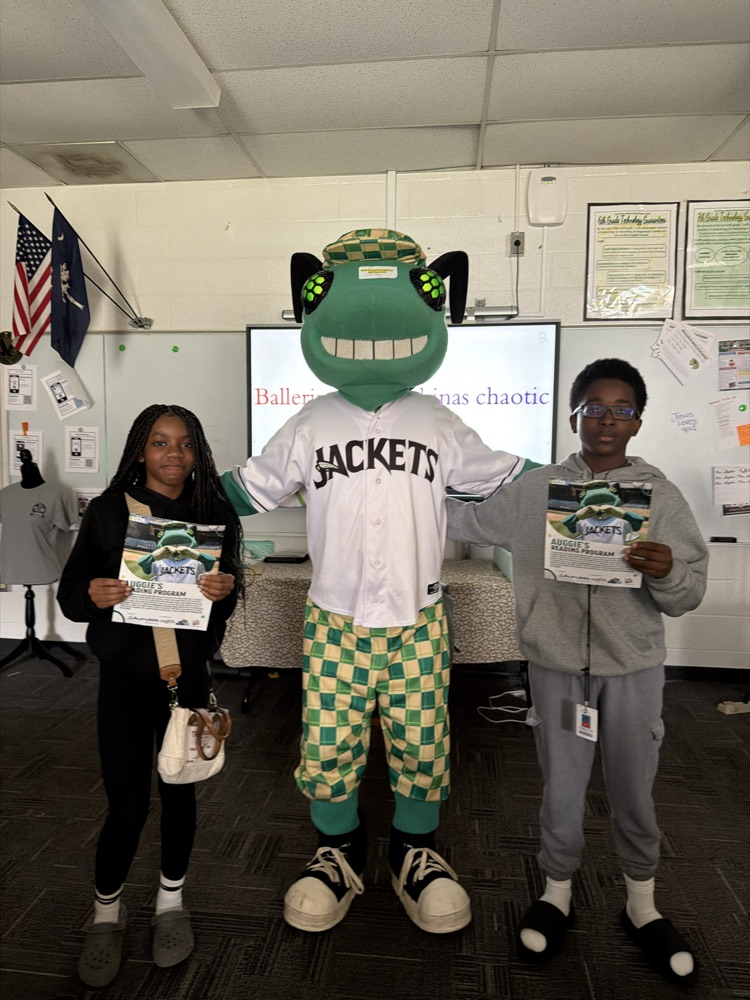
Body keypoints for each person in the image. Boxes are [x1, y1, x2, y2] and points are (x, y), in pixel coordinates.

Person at [222, 229, 534, 936]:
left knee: (422, 742)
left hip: (419, 619)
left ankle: (415, 853)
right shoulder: (310, 420)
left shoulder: (435, 419)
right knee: (328, 743)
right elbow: (250, 488)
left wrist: (584, 490)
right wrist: (164, 501)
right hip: (332, 618)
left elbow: (508, 476)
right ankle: (337, 850)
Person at [445, 358, 707, 987]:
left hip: (633, 670)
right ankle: (556, 891)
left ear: (638, 420)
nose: (607, 419)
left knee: (632, 788)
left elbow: (688, 592)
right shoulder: (537, 491)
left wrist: (666, 570)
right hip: (558, 668)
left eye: (621, 409)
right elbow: (466, 519)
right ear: (575, 415)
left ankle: (641, 905)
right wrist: (391, 487)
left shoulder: (660, 497)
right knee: (562, 786)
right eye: (595, 406)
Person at [57, 404, 242, 988]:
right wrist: (95, 595)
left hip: (185, 679)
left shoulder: (215, 512)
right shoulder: (112, 512)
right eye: (160, 442)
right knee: (128, 806)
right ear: (141, 449)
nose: (173, 454)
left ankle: (169, 904)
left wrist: (225, 587)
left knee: (181, 798)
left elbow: (225, 592)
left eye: (184, 443)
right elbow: (70, 595)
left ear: (197, 451)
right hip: (124, 681)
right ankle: (106, 913)